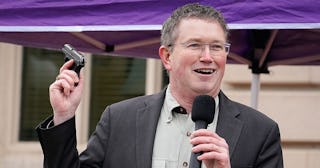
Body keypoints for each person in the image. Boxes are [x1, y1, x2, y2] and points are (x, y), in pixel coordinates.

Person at [36, 3, 283, 168]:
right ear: (167, 57)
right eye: (195, 45)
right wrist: (64, 116)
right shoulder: (119, 119)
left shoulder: (261, 132)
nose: (208, 56)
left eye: (217, 47)